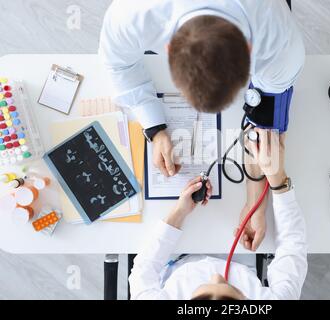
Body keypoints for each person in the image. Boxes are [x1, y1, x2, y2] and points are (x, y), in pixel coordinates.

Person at [99, 0, 305, 251]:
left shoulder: (279, 39)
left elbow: (264, 122)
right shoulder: (132, 13)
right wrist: (154, 128)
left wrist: (255, 204)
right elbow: (119, 65)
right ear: (168, 48)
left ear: (250, 51)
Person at [129, 129, 307, 300]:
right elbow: (292, 246)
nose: (216, 275)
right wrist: (277, 178)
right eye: (230, 286)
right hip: (242, 253)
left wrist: (179, 212)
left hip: (175, 254)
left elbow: (143, 271)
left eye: (202, 288)